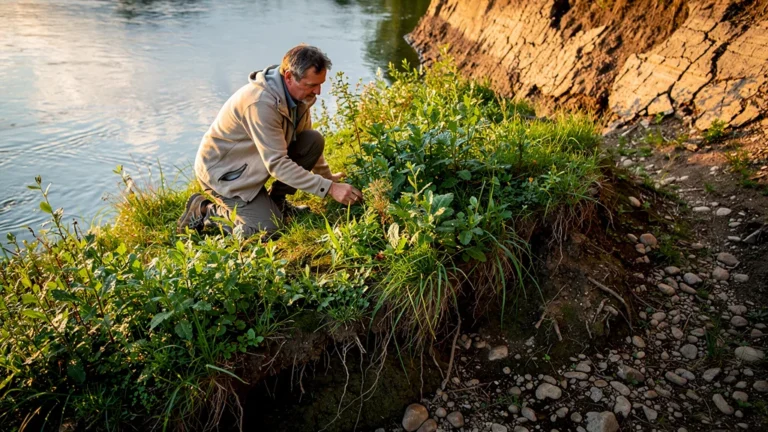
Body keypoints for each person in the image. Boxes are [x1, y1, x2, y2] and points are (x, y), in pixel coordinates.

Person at [178, 44, 363, 238]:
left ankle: (278, 204)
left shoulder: (299, 96)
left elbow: (305, 139)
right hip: (224, 173)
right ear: (289, 77)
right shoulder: (260, 104)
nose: (318, 91)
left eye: (320, 83)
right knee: (268, 229)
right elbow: (277, 164)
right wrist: (330, 189)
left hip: (253, 163)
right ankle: (205, 210)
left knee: (312, 140)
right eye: (311, 85)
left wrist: (328, 178)